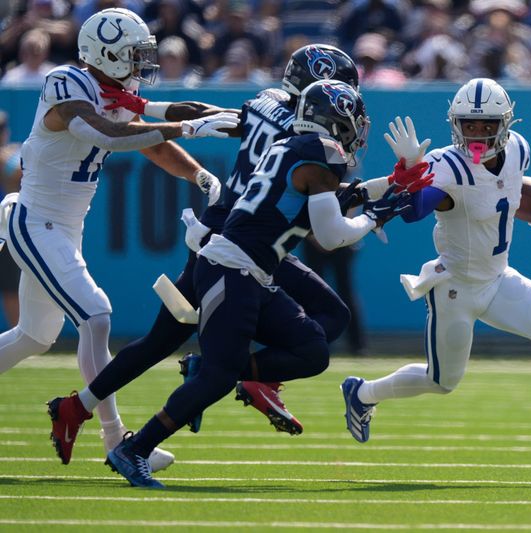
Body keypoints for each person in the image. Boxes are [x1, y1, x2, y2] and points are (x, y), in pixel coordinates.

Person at [47, 44, 423, 463]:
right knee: (318, 325)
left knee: (163, 339)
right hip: (244, 244)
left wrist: (147, 104)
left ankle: (77, 406)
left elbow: (212, 116)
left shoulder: (273, 109)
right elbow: (325, 211)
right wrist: (379, 204)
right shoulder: (312, 139)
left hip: (229, 232)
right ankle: (242, 375)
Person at [0, 8, 238, 471]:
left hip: (65, 226)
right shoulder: (65, 82)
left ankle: (112, 437)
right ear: (105, 53)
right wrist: (187, 124)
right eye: (133, 55)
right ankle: (116, 440)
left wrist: (202, 175)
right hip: (34, 221)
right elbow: (104, 133)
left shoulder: (117, 90)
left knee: (34, 335)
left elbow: (151, 137)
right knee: (97, 315)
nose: (139, 65)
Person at [340, 78, 531, 481]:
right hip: (456, 287)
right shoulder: (446, 165)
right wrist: (412, 172)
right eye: (468, 125)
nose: (477, 134)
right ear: (456, 124)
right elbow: (417, 209)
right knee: (442, 381)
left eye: (486, 125)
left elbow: (508, 190)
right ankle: (361, 393)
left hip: (498, 278)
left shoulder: (518, 148)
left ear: (504, 124)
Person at [0, 111, 22, 327]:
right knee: (10, 287)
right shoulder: (11, 156)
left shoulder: (14, 156)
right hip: (5, 229)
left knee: (11, 286)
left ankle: (18, 334)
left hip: (5, 229)